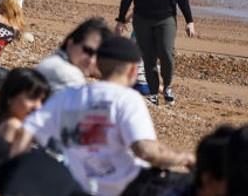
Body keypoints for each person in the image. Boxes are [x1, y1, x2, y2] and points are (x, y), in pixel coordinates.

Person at [24, 34, 195, 195]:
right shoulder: (127, 99)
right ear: (133, 70)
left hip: (79, 187)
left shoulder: (69, 96)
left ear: (98, 65)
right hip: (128, 188)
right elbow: (145, 150)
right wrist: (187, 159)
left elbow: (26, 130)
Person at [115, 0, 196, 105]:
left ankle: (167, 87)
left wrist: (190, 21)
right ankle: (153, 92)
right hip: (142, 20)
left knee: (167, 54)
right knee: (149, 58)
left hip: (166, 19)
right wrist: (121, 19)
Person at [35, 17, 108, 93]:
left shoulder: (54, 61)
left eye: (98, 56)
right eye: (87, 51)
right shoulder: (69, 76)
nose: (91, 60)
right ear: (70, 44)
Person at [0, 68, 51, 147]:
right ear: (10, 96)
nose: (38, 106)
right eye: (32, 97)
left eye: (42, 101)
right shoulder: (13, 126)